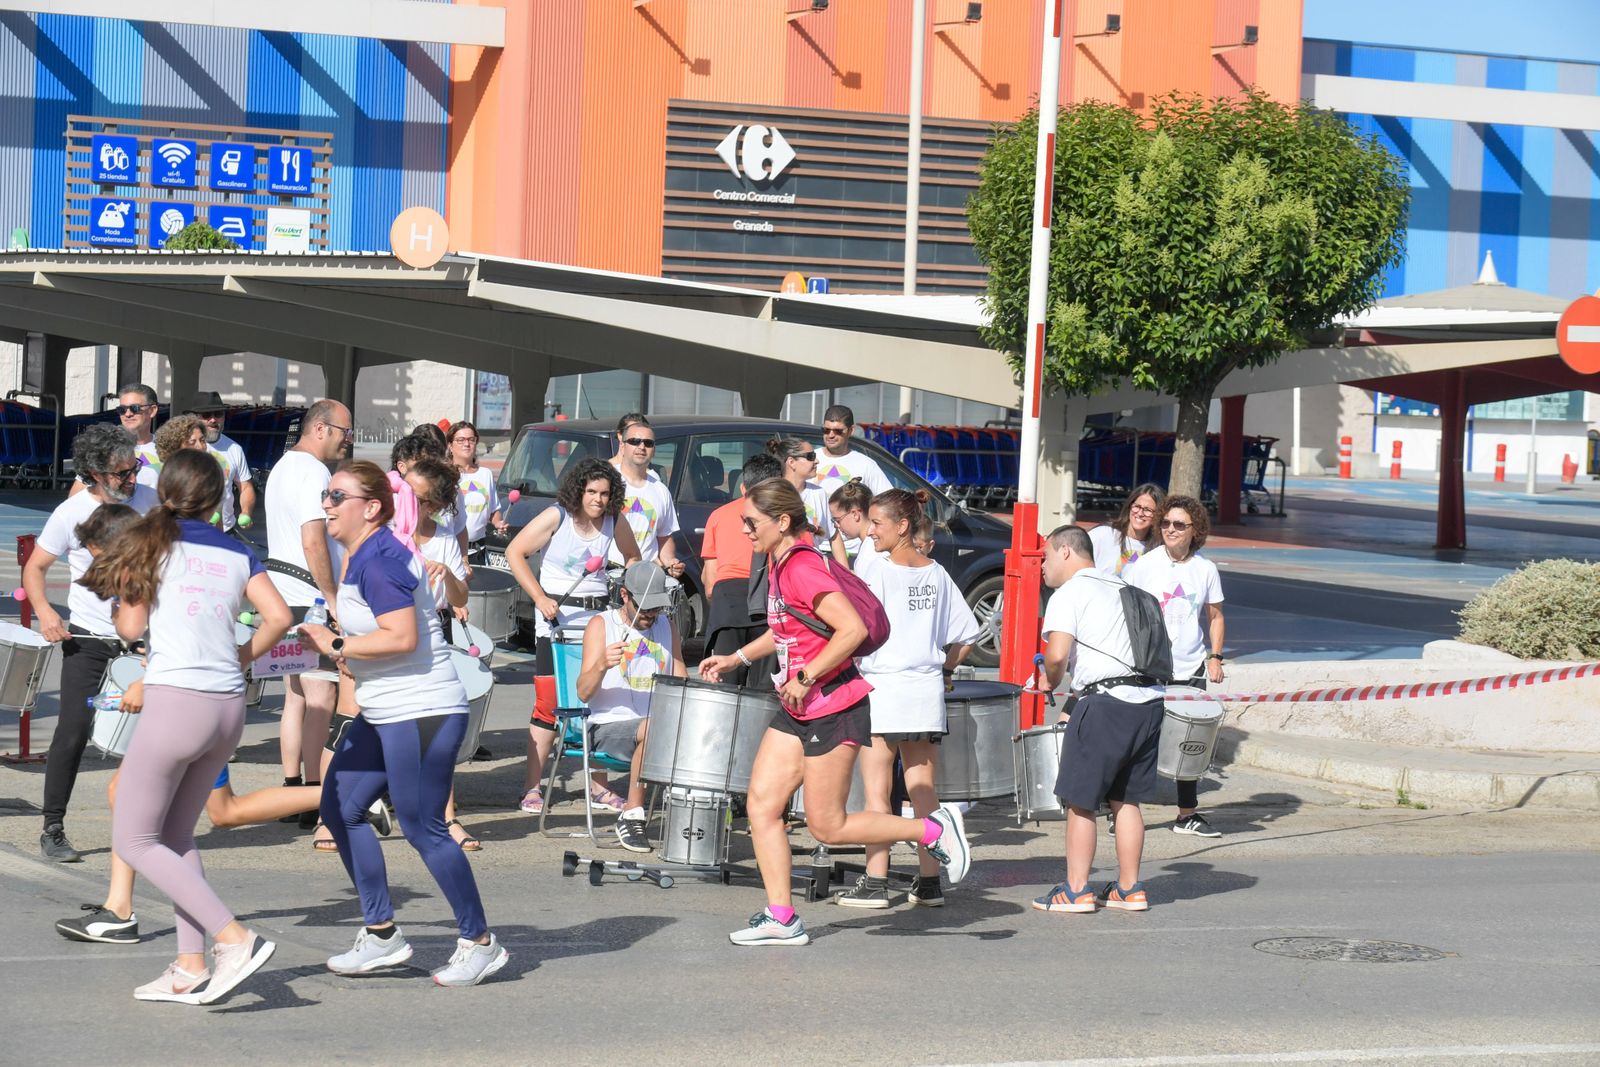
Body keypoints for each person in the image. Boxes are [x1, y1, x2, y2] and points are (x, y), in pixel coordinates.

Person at [698, 479, 971, 947]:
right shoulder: (779, 564)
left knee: (828, 824)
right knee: (763, 805)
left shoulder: (803, 567)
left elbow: (853, 628)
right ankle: (782, 917)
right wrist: (736, 659)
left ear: (782, 522)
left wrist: (805, 677)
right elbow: (788, 631)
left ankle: (931, 829)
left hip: (833, 706)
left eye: (751, 522)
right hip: (799, 707)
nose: (744, 531)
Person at [81, 449, 293, 1003]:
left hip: (177, 700)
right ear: (220, 496)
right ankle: (189, 964)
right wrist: (243, 656)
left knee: (133, 836)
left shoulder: (150, 544)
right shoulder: (239, 551)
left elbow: (130, 626)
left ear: (164, 489)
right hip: (227, 705)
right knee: (175, 836)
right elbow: (281, 617)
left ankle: (234, 937)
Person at [298, 461, 509, 987]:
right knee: (340, 806)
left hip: (422, 711)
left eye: (336, 495)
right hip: (386, 710)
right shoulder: (362, 554)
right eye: (326, 494)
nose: (326, 503)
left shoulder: (382, 558)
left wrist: (337, 645)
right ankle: (382, 935)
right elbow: (384, 637)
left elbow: (402, 638)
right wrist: (347, 652)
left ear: (369, 508)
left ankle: (481, 943)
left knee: (423, 828)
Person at [838, 488, 981, 909]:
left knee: (877, 792)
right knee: (923, 789)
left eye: (878, 523)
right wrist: (945, 669)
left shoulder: (876, 570)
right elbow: (968, 635)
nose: (871, 531)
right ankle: (930, 881)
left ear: (902, 527)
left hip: (884, 687)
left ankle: (876, 881)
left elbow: (853, 626)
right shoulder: (937, 572)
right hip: (924, 691)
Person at [23, 424, 159, 862]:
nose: (131, 479)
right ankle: (53, 827)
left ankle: (147, 825)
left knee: (151, 734)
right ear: (95, 473)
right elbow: (35, 568)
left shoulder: (149, 500)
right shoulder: (71, 512)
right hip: (88, 636)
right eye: (122, 473)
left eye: (134, 468)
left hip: (142, 636)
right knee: (73, 730)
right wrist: (46, 612)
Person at [1033, 525, 1166, 915]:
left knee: (1081, 801)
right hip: (1149, 702)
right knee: (1126, 800)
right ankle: (1130, 888)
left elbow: (1056, 656)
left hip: (1105, 703)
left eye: (1046, 556)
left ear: (1066, 553)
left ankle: (1076, 890)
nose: (1043, 566)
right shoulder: (1123, 587)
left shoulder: (1069, 592)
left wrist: (1048, 681)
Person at [505, 457, 641, 814]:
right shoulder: (557, 516)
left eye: (605, 493)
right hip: (556, 621)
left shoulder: (614, 521)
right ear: (578, 490)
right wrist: (539, 597)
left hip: (597, 622)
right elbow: (515, 552)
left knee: (596, 700)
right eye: (591, 491)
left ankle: (599, 788)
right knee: (549, 703)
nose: (597, 499)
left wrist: (624, 587)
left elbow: (634, 559)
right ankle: (531, 787)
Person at [264, 399, 351, 832]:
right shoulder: (315, 472)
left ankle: (291, 785)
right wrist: (332, 595)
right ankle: (314, 795)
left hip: (279, 594)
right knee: (322, 699)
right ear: (321, 428)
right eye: (343, 432)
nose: (346, 441)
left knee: (294, 697)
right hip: (308, 593)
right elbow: (314, 538)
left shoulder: (281, 466)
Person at [1122, 495, 1226, 838]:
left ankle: (1187, 815)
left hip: (1191, 666)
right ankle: (1120, 812)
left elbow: (1215, 616)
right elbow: (1127, 614)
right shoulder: (1143, 565)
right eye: (1165, 523)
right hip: (1150, 666)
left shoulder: (1205, 569)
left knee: (1190, 744)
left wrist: (1215, 657)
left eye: (1179, 525)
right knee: (1138, 741)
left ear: (1194, 530)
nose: (1170, 530)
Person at [396, 457, 480, 851]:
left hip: (431, 637)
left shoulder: (444, 537)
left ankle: (447, 817)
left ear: (430, 505)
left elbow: (461, 596)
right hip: (386, 635)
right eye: (401, 487)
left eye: (412, 494)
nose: (401, 497)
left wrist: (447, 575)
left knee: (437, 730)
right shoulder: (383, 531)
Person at [576, 562, 685, 853]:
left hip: (652, 726)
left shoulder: (666, 626)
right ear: (624, 595)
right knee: (653, 727)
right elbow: (583, 692)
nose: (650, 614)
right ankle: (632, 815)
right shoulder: (602, 624)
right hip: (606, 726)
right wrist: (601, 664)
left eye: (656, 607)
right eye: (644, 607)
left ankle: (699, 816)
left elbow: (681, 679)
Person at [701, 454, 782, 689]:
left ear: (744, 486)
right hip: (769, 602)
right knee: (765, 691)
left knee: (725, 689)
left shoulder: (717, 515)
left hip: (727, 603)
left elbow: (709, 583)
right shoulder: (784, 519)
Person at [607, 414, 684, 576]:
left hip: (645, 576)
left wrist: (671, 562)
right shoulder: (606, 479)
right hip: (608, 573)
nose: (642, 447)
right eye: (635, 441)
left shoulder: (660, 489)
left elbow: (664, 537)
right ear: (622, 446)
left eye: (648, 443)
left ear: (654, 450)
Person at [767, 435, 844, 564]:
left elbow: (833, 535)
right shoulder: (773, 495)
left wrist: (846, 575)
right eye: (810, 457)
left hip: (813, 567)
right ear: (791, 462)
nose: (817, 461)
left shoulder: (819, 493)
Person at [191, 394, 256, 534]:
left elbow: (245, 487)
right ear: (195, 418)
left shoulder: (234, 449)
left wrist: (246, 511)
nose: (213, 420)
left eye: (218, 414)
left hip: (226, 531)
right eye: (207, 415)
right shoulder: (183, 447)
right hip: (192, 530)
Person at [447, 420, 509, 548]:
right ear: (450, 445)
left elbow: (493, 510)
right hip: (451, 547)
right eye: (460, 440)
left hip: (478, 547)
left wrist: (498, 524)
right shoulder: (444, 475)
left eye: (471, 439)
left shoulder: (485, 474)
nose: (467, 444)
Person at [813, 404, 891, 499]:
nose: (831, 435)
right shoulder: (808, 459)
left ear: (851, 431)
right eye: (826, 430)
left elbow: (888, 502)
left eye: (838, 431)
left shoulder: (866, 465)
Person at [1090, 483, 1165, 576]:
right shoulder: (1103, 534)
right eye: (1137, 506)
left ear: (1158, 515)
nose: (1140, 513)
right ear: (1130, 506)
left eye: (1148, 510)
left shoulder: (1158, 550)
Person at [827, 479, 881, 571]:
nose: (836, 525)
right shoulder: (874, 543)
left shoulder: (870, 554)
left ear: (855, 514)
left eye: (838, 520)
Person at [118, 383, 161, 489]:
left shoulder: (169, 448)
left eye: (135, 408)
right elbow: (79, 496)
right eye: (122, 409)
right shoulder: (105, 447)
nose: (127, 414)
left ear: (152, 410)